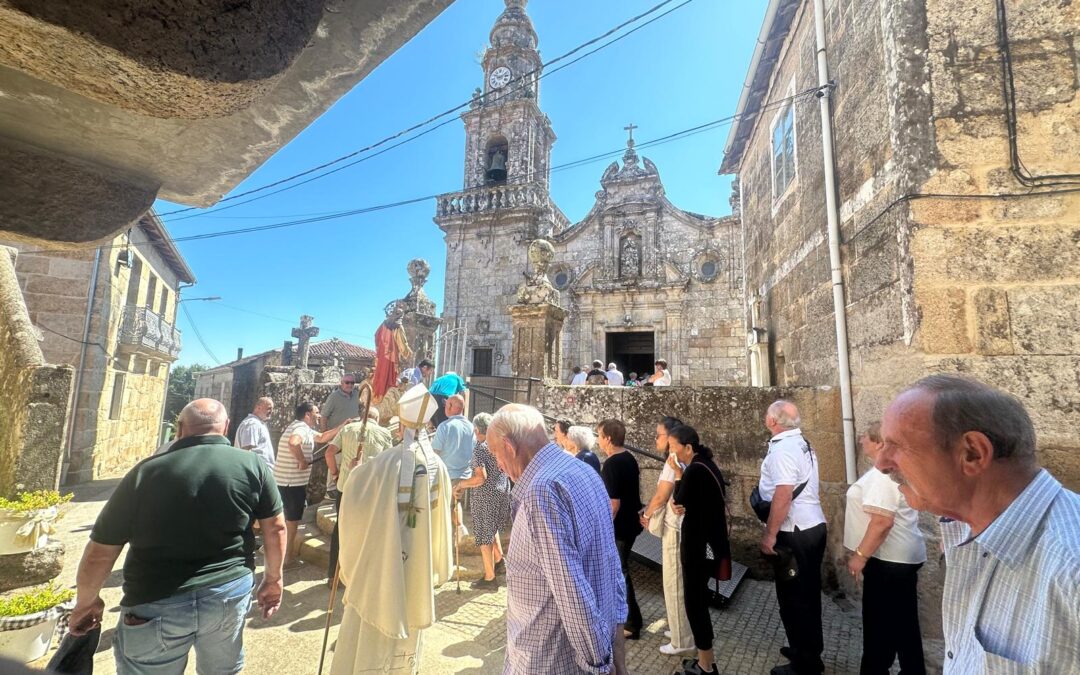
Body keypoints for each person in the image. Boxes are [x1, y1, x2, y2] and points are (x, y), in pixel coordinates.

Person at [876, 375, 1080, 674]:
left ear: (973, 453)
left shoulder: (1071, 566)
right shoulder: (965, 529)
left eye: (896, 446)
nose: (881, 463)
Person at [68, 399, 287, 674]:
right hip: (227, 593)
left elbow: (100, 551)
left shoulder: (145, 472)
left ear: (180, 428)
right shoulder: (252, 465)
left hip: (155, 600)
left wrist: (86, 603)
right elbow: (276, 527)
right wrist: (273, 580)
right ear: (227, 427)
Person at [487, 404, 628, 674]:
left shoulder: (542, 492)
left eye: (495, 453)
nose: (498, 464)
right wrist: (616, 650)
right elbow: (612, 568)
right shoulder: (584, 472)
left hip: (550, 661)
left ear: (509, 446)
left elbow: (572, 592)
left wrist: (599, 663)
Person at [331, 383, 453, 674]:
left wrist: (357, 471)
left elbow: (354, 501)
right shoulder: (438, 466)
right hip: (418, 567)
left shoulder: (384, 463)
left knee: (370, 637)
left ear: (401, 426)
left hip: (382, 566)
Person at [844, 421, 927, 674]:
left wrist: (859, 556)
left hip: (888, 560)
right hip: (901, 558)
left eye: (865, 437)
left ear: (879, 443)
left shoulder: (883, 474)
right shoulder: (897, 468)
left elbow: (882, 522)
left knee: (879, 627)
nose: (860, 440)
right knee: (903, 625)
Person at [758, 400, 827, 675]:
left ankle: (805, 663)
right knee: (806, 594)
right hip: (811, 525)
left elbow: (784, 494)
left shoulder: (784, 449)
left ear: (774, 421)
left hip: (794, 530)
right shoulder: (801, 443)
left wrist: (770, 534)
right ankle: (806, 649)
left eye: (767, 414)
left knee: (795, 598)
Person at [669, 424, 730, 675]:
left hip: (698, 547)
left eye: (673, 447)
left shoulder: (694, 470)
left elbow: (679, 500)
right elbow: (685, 502)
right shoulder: (707, 465)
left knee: (695, 603)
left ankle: (706, 665)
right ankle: (706, 659)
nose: (671, 452)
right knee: (697, 601)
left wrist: (677, 475)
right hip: (710, 544)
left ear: (688, 447)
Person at [639, 416, 695, 657]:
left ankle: (682, 639)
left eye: (659, 435)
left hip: (676, 528)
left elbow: (663, 494)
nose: (656, 439)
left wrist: (648, 514)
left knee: (674, 583)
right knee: (675, 582)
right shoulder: (678, 459)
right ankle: (679, 628)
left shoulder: (673, 460)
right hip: (680, 527)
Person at [274, 401, 351, 570]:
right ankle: (287, 559)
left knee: (284, 520)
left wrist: (342, 426)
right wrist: (301, 460)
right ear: (307, 414)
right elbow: (294, 443)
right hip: (290, 483)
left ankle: (278, 554)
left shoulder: (304, 428)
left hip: (285, 481)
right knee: (292, 522)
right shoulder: (300, 428)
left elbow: (323, 438)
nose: (318, 415)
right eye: (316, 412)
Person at [325, 407, 394, 580]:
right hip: (371, 490)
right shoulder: (384, 433)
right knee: (367, 530)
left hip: (346, 487)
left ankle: (334, 573)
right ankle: (361, 575)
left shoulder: (348, 429)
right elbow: (389, 462)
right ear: (376, 419)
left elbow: (329, 453)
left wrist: (335, 473)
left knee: (340, 529)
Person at [597, 418, 643, 641]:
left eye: (599, 435)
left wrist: (603, 528)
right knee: (621, 571)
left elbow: (613, 503)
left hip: (620, 527)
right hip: (630, 524)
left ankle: (632, 624)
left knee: (620, 573)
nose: (597, 440)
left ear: (608, 438)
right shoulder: (629, 458)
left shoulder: (613, 463)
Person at [452, 412, 509, 589]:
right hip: (502, 491)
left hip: (486, 496)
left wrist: (460, 485)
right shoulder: (499, 444)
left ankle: (490, 578)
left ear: (477, 430)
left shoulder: (479, 448)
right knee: (491, 529)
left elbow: (480, 478)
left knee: (484, 536)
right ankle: (499, 561)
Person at [372, 301, 413, 400]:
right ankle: (384, 398)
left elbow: (376, 336)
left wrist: (380, 349)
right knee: (390, 377)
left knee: (380, 374)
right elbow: (402, 345)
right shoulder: (398, 326)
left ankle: (377, 396)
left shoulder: (383, 324)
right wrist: (410, 354)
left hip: (381, 356)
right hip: (392, 358)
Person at [234, 396, 275, 467]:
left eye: (272, 409)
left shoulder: (258, 423)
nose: (271, 412)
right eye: (269, 408)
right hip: (257, 473)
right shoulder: (253, 424)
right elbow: (246, 451)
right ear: (258, 408)